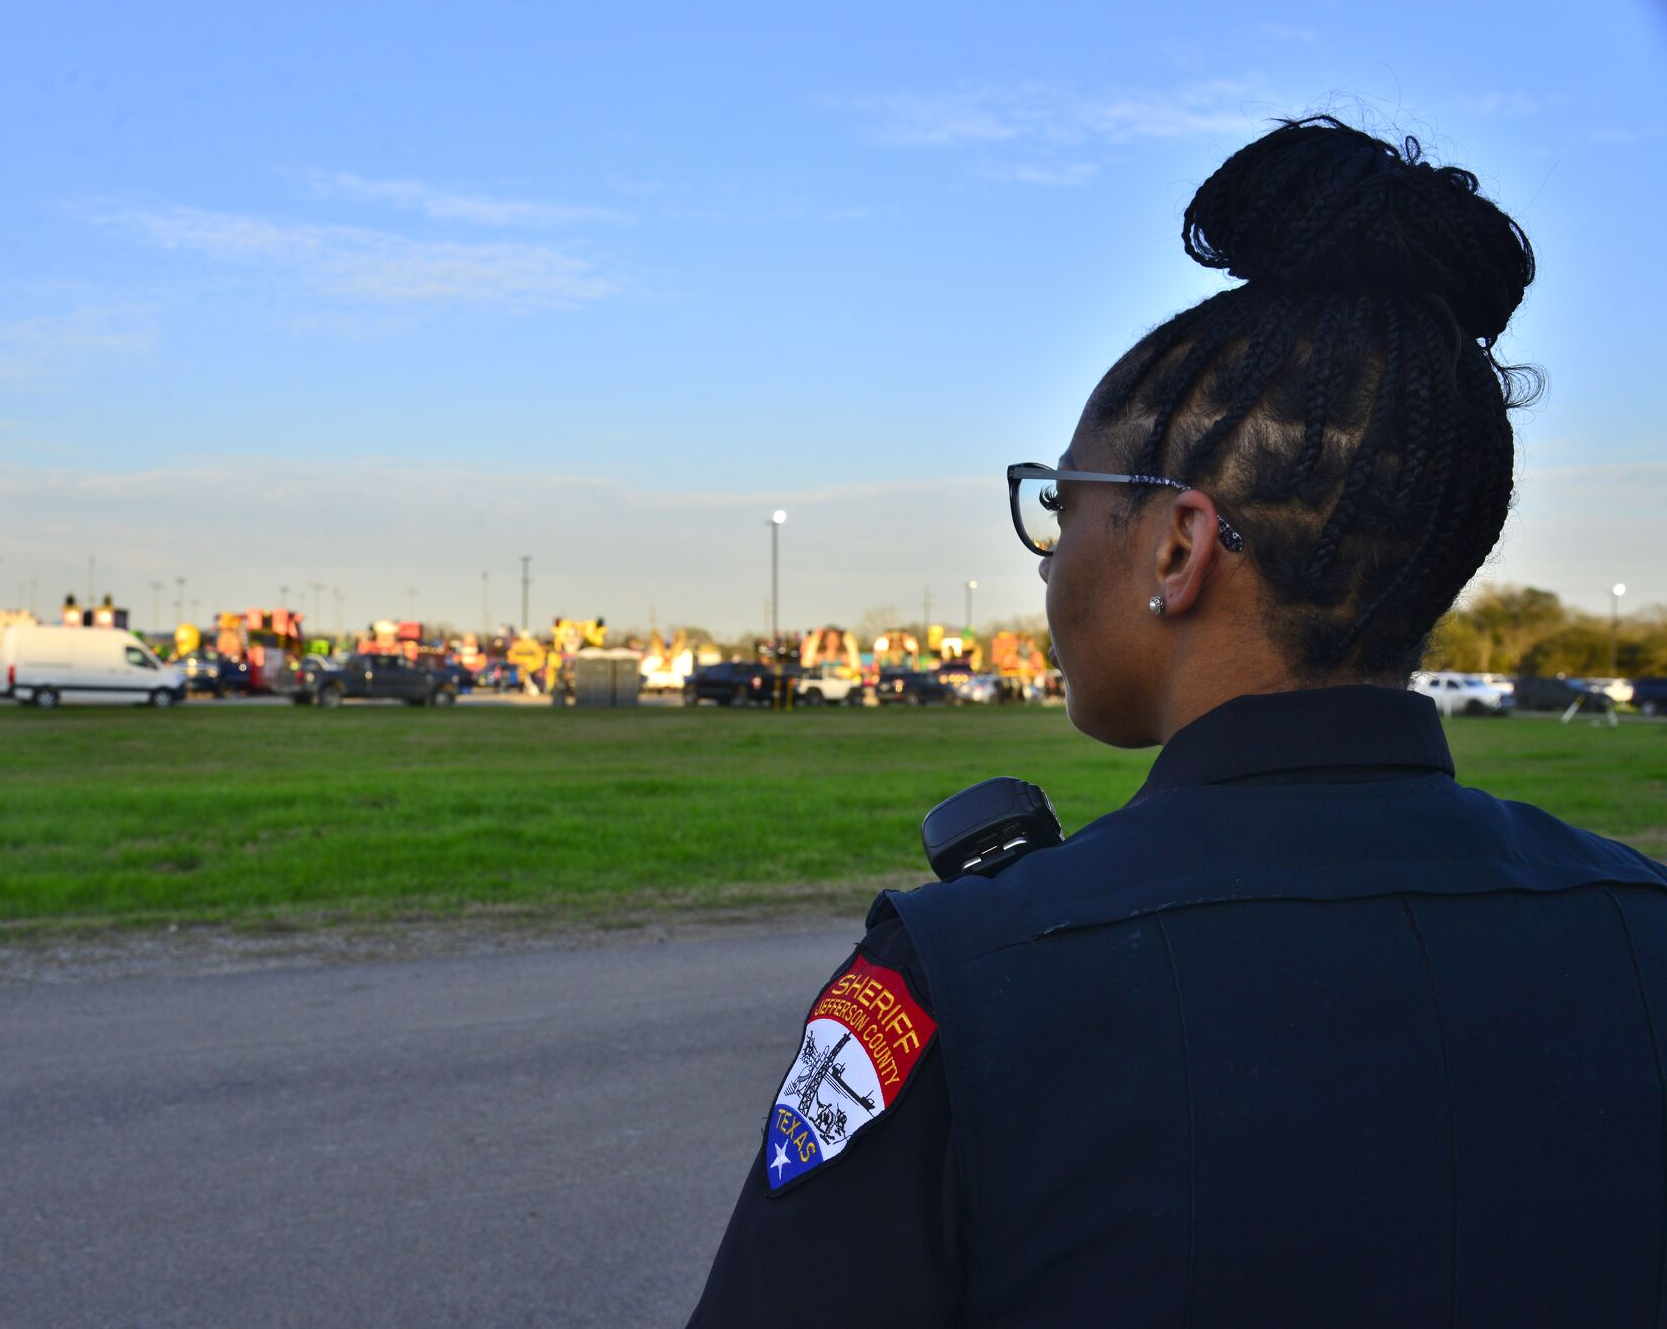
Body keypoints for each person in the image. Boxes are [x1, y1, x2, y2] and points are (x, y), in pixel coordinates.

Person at [686, 117, 1667, 1327]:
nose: (1046, 568)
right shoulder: (1637, 927)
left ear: (1175, 545)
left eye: (1063, 505)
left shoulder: (972, 975)